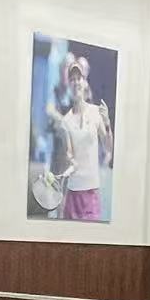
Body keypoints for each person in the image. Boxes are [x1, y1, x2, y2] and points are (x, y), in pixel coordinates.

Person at [45, 56, 113, 222]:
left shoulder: (96, 112)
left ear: (85, 81)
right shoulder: (66, 121)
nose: (76, 82)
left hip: (91, 193)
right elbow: (69, 153)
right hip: (72, 196)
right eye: (72, 79)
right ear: (69, 84)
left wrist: (107, 123)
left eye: (79, 78)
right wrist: (70, 162)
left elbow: (108, 147)